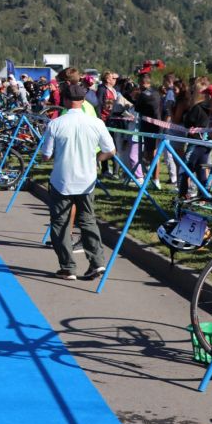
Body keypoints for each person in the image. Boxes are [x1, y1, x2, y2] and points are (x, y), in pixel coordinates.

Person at [41, 83, 116, 280]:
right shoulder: (96, 123)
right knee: (88, 220)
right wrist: (96, 160)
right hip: (87, 179)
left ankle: (67, 266)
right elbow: (111, 150)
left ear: (65, 101)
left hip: (62, 180)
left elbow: (46, 155)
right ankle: (97, 262)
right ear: (83, 101)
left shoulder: (55, 124)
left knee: (60, 224)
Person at [134, 73, 163, 188]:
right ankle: (154, 179)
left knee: (152, 154)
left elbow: (137, 108)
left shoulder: (143, 94)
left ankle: (155, 179)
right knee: (152, 153)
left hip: (149, 126)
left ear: (142, 83)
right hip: (158, 126)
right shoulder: (156, 93)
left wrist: (136, 97)